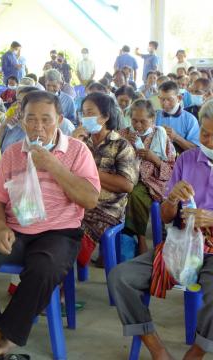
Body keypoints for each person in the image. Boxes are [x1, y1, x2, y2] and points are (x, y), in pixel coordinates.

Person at [0, 90, 100, 360]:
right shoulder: (12, 153)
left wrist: (53, 165)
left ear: (60, 120)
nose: (39, 127)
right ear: (21, 121)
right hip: (15, 229)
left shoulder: (78, 151)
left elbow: (90, 199)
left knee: (45, 268)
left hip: (58, 233)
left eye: (46, 120)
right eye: (31, 119)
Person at [108, 99, 213, 360]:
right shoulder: (187, 159)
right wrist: (172, 200)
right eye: (205, 133)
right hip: (180, 244)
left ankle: (198, 350)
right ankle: (156, 347)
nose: (208, 140)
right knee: (120, 277)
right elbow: (167, 217)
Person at [72, 92, 138, 266]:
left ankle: (62, 285)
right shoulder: (80, 142)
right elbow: (64, 171)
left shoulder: (122, 145)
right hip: (78, 201)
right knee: (51, 226)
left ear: (105, 116)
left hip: (107, 208)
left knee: (75, 237)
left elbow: (126, 185)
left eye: (90, 113)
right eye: (83, 113)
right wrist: (72, 144)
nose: (84, 118)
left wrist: (89, 171)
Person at [119, 100, 175, 254]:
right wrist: (125, 145)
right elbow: (113, 159)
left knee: (135, 193)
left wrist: (154, 159)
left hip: (151, 181)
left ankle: (140, 238)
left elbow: (171, 170)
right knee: (112, 195)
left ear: (153, 119)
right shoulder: (123, 134)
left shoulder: (161, 136)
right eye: (134, 120)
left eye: (143, 121)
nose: (138, 125)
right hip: (125, 176)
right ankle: (114, 243)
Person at [155, 80, 200, 153]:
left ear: (179, 98)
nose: (165, 103)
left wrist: (176, 137)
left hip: (182, 161)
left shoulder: (190, 119)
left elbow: (195, 150)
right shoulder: (154, 116)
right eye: (162, 99)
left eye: (169, 99)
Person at [0, 86, 37, 153]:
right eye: (19, 102)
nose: (20, 107)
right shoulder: (13, 123)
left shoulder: (39, 128)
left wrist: (24, 125)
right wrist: (3, 126)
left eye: (25, 103)